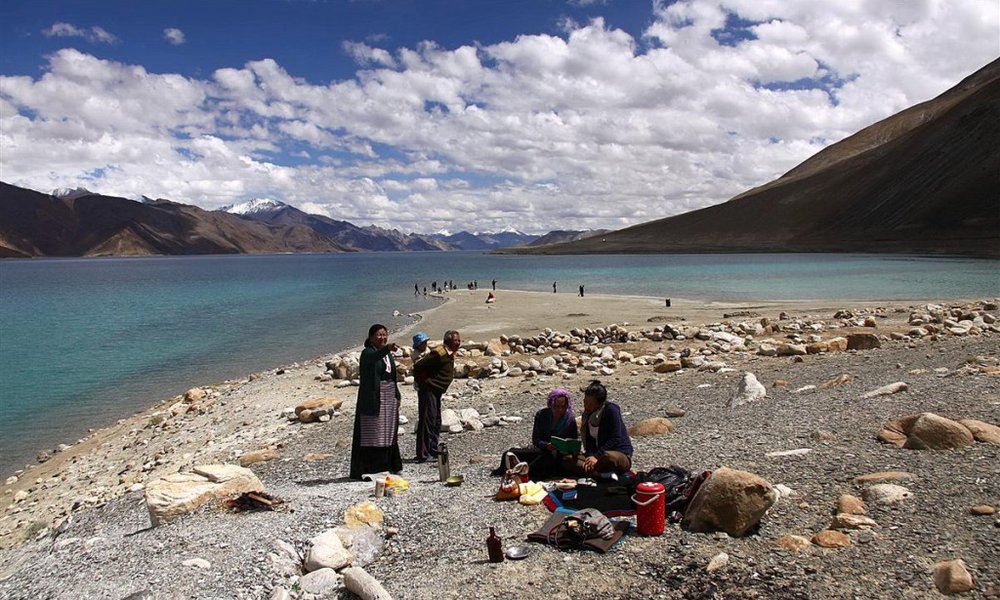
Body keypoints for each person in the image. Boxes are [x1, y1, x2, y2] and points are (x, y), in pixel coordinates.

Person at [349, 324, 402, 479]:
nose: (382, 338)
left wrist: (397, 395)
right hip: (374, 398)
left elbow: (392, 376)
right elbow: (373, 358)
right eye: (379, 335)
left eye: (384, 335)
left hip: (389, 396)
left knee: (388, 431)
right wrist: (387, 349)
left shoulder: (387, 355)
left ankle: (389, 465)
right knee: (373, 432)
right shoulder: (367, 353)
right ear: (371, 337)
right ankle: (370, 468)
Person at [495, 388, 579, 479]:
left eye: (563, 407)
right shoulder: (542, 415)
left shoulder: (570, 420)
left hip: (560, 456)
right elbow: (536, 440)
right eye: (556, 406)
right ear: (551, 404)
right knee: (510, 453)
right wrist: (546, 445)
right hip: (542, 450)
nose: (559, 410)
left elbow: (573, 442)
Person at [564, 380, 633, 478]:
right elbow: (589, 441)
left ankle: (595, 472)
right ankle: (600, 474)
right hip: (597, 456)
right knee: (568, 459)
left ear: (599, 403)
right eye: (585, 402)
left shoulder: (611, 411)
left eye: (590, 404)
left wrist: (596, 456)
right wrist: (590, 456)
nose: (586, 406)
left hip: (617, 454)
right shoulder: (587, 415)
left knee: (609, 457)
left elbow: (616, 438)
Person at [413, 329, 461, 462]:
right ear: (447, 341)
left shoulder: (449, 353)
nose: (457, 343)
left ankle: (433, 450)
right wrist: (425, 381)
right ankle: (423, 454)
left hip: (436, 390)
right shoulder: (438, 353)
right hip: (429, 390)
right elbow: (419, 366)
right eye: (455, 340)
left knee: (436, 420)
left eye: (458, 340)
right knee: (427, 421)